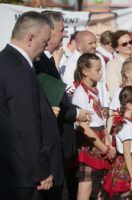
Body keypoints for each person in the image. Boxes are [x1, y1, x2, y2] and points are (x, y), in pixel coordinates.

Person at [0, 11, 63, 199]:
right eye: (44, 42)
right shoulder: (21, 70)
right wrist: (41, 170)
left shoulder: (4, 61)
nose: (44, 48)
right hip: (25, 177)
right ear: (30, 38)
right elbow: (26, 126)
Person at [34, 10, 92, 200]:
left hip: (61, 144)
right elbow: (51, 104)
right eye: (61, 30)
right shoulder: (37, 61)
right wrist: (76, 114)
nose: (64, 34)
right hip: (48, 147)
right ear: (48, 31)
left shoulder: (46, 60)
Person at [72, 53, 116, 200]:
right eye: (97, 70)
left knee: (100, 186)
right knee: (86, 186)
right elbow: (84, 127)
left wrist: (107, 142)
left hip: (100, 139)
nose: (101, 72)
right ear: (85, 71)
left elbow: (101, 120)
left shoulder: (93, 91)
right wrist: (104, 148)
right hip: (90, 142)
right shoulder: (80, 93)